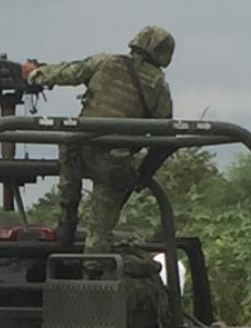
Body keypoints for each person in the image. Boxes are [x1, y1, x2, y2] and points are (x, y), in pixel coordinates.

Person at [21, 26, 175, 255]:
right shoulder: (158, 86)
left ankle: (67, 223)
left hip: (79, 149)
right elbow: (165, 137)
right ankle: (94, 272)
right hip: (115, 161)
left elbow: (68, 72)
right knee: (100, 230)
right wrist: (143, 175)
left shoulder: (106, 62)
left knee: (69, 160)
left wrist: (34, 74)